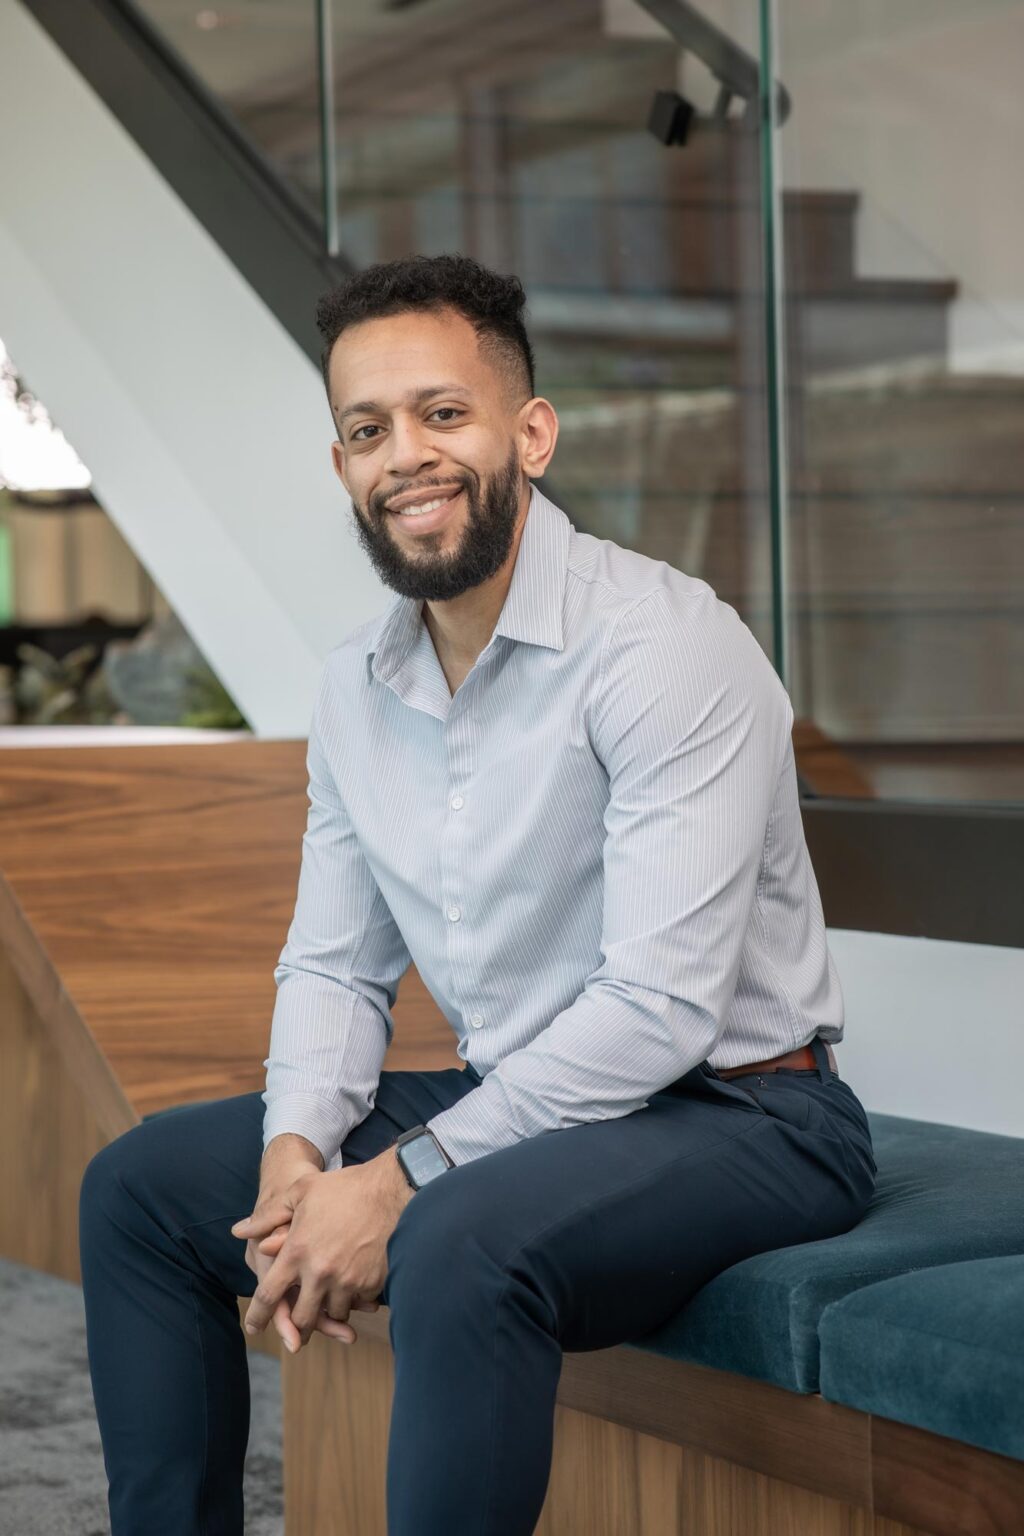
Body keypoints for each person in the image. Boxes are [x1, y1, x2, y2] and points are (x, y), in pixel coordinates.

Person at [79, 252, 876, 1536]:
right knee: (139, 1188)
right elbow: (337, 965)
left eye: (443, 413)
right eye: (367, 427)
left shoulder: (665, 647)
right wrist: (297, 1159)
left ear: (530, 433)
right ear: (340, 465)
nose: (407, 454)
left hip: (747, 1115)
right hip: (528, 1104)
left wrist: (391, 1183)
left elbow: (661, 1009)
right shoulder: (355, 689)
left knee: (456, 1238)